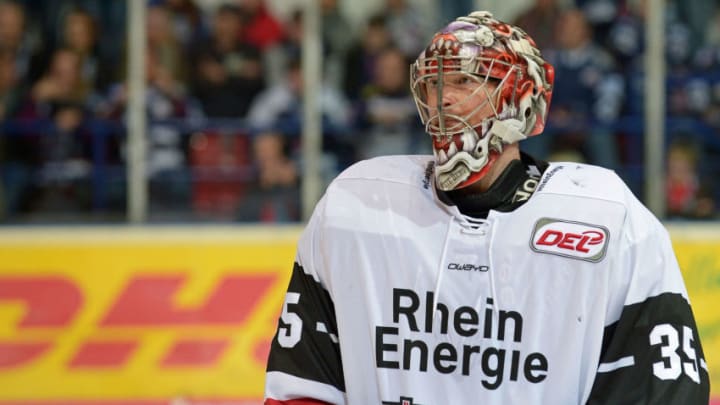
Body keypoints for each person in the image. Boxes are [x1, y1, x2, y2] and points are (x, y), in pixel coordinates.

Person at [264, 11, 710, 404]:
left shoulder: (609, 216)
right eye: (435, 83)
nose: (444, 99)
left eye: (465, 81)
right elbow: (304, 386)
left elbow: (664, 390)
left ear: (522, 98)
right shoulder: (357, 203)